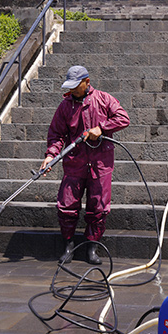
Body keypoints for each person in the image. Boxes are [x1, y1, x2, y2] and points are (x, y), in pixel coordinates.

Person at [40, 65, 129, 265]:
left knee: (98, 208)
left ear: (86, 82)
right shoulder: (65, 106)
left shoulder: (104, 99)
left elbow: (123, 118)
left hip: (101, 164)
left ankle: (91, 248)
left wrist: (102, 128)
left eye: (75, 86)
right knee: (66, 206)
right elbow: (56, 134)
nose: (72, 90)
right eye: (69, 87)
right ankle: (68, 246)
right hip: (74, 163)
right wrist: (50, 155)